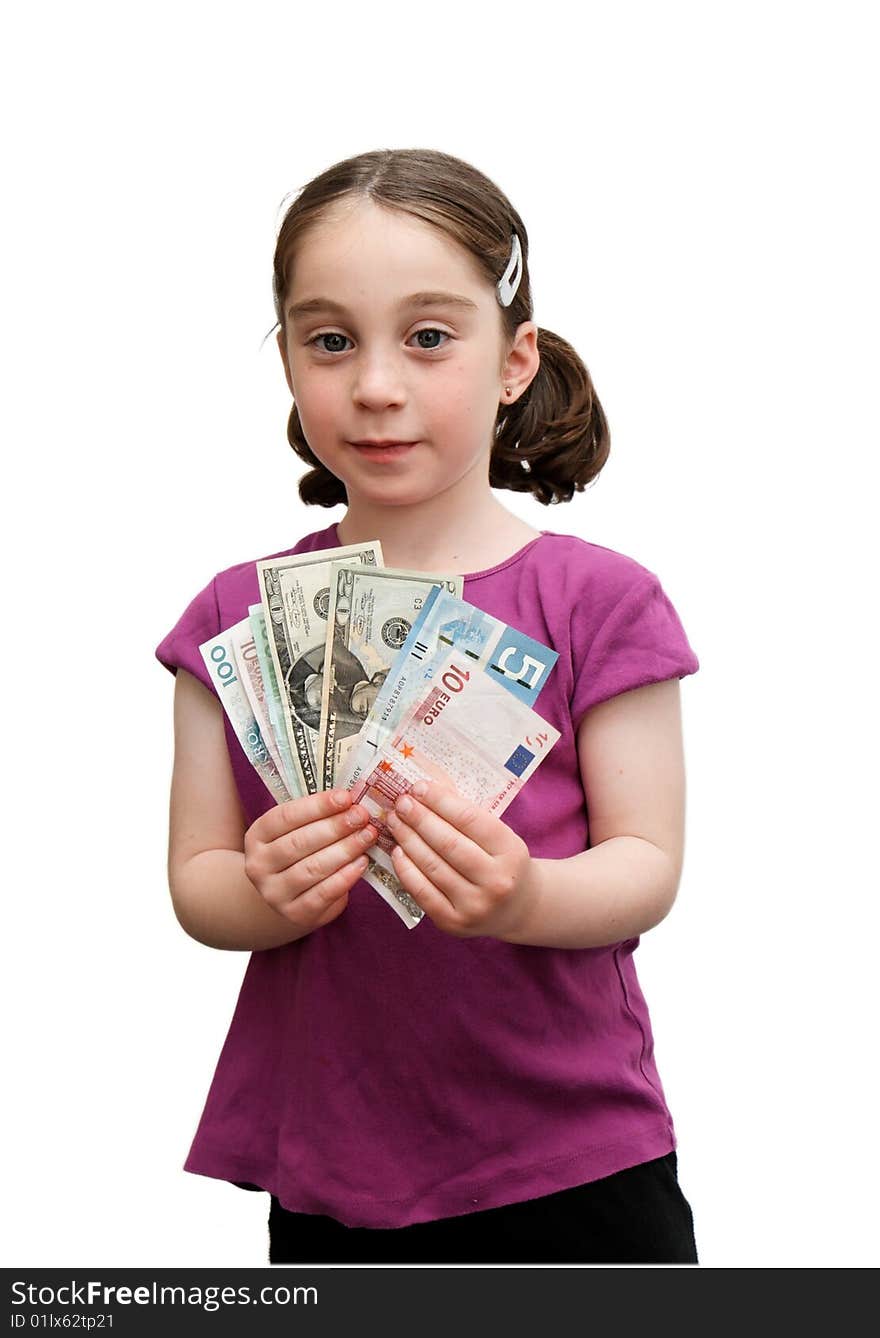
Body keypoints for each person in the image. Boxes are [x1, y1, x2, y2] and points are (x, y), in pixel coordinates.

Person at [156, 148, 701, 1265]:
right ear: (289, 365)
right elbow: (199, 885)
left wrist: (525, 897)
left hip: (574, 1159)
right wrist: (269, 892)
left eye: (430, 336)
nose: (375, 386)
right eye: (329, 340)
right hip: (334, 1171)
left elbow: (648, 861)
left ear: (515, 362)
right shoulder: (237, 613)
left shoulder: (597, 599)